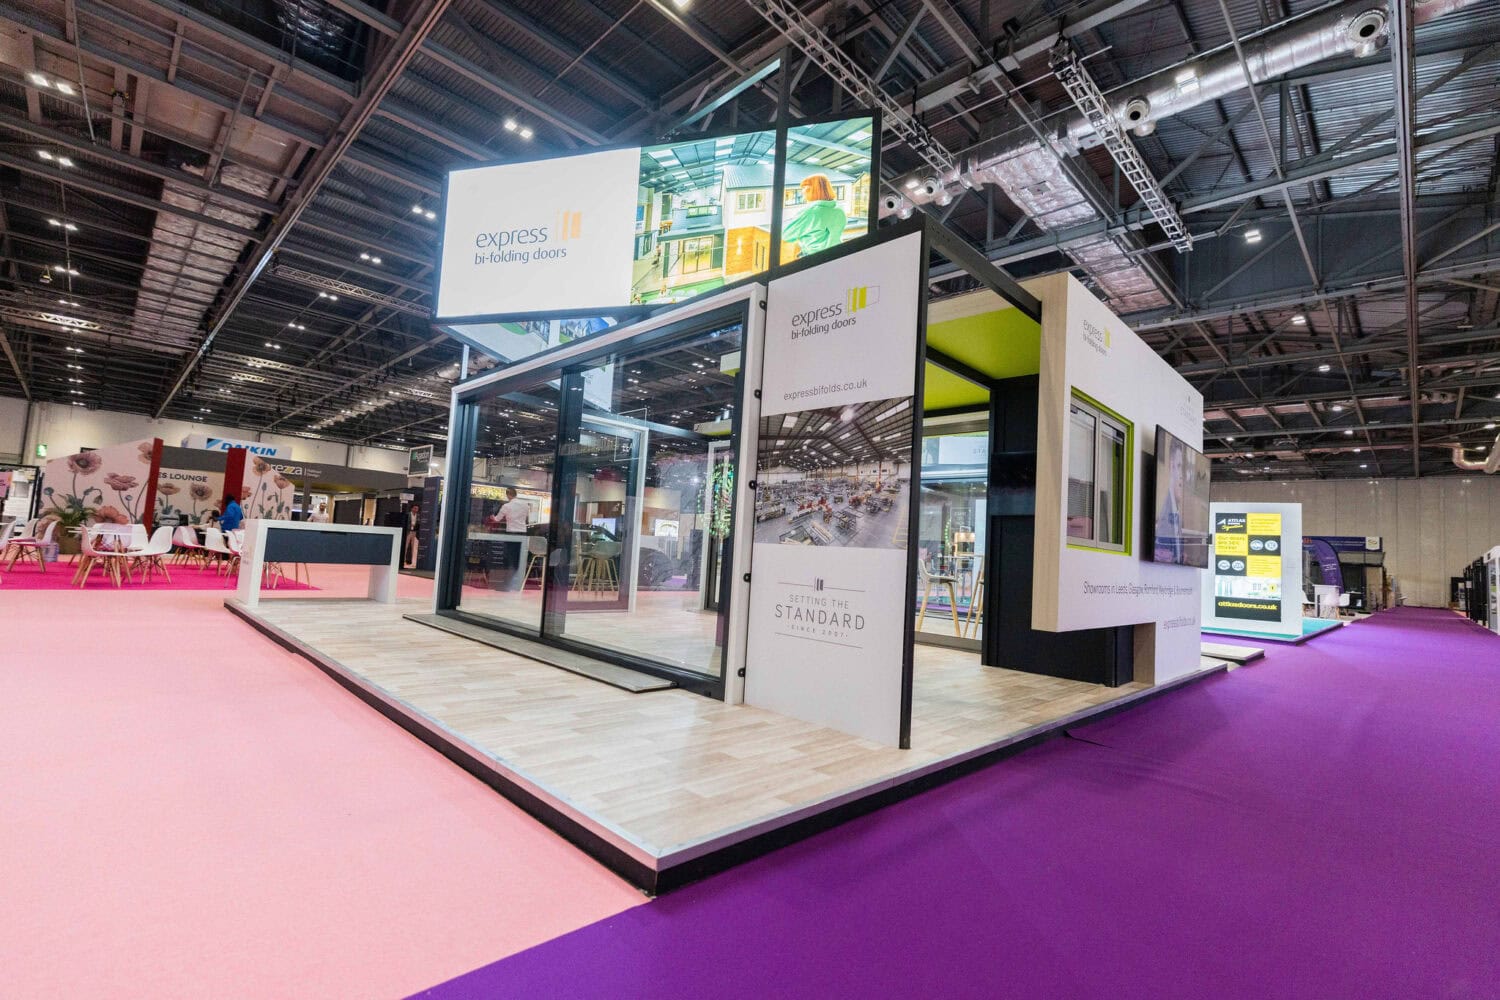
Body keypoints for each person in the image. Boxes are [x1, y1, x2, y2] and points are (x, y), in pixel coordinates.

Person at [780, 174, 847, 259]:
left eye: (804, 187)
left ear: (812, 189)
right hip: (837, 254)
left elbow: (786, 235)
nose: (802, 192)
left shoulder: (811, 213)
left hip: (814, 258)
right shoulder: (839, 209)